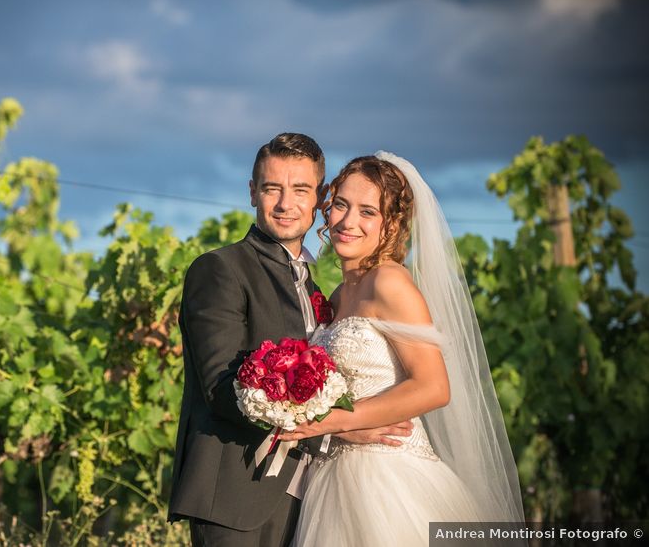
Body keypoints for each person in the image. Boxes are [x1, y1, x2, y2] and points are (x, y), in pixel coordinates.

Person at [167, 135, 413, 547]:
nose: (285, 204)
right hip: (236, 497)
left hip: (311, 498)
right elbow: (222, 390)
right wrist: (336, 430)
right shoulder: (219, 270)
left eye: (300, 189)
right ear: (252, 192)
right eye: (271, 188)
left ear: (318, 198)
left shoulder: (320, 290)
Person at [279, 152, 525, 546]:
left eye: (367, 212)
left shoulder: (389, 282)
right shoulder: (342, 293)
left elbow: (433, 386)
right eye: (341, 204)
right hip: (333, 474)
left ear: (391, 224)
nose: (347, 221)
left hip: (387, 477)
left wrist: (335, 422)